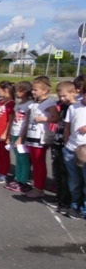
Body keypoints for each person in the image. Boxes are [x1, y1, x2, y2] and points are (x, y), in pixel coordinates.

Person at [15, 76, 59, 199]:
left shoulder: (49, 103)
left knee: (39, 164)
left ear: (45, 90)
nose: (33, 92)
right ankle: (36, 187)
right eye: (33, 90)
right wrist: (22, 136)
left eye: (36, 90)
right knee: (34, 163)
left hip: (40, 137)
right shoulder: (34, 103)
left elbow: (56, 117)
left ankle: (39, 189)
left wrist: (44, 118)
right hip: (31, 136)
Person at [46, 81, 76, 210]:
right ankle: (59, 197)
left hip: (67, 145)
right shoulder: (63, 106)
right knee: (57, 172)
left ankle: (65, 201)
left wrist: (67, 142)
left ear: (73, 92)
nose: (62, 99)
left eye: (64, 96)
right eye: (60, 96)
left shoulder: (75, 107)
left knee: (66, 175)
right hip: (57, 142)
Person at [62, 80, 86, 219]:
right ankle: (75, 205)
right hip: (71, 150)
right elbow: (67, 127)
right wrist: (66, 144)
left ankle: (84, 209)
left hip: (85, 153)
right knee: (74, 181)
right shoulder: (74, 107)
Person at [4, 81, 34, 193]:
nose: (15, 93)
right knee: (18, 157)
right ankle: (17, 178)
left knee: (24, 159)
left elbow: (27, 123)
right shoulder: (18, 104)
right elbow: (14, 120)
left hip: (22, 134)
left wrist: (21, 137)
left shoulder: (30, 105)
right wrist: (9, 135)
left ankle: (23, 181)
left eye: (16, 91)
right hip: (15, 133)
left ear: (24, 92)